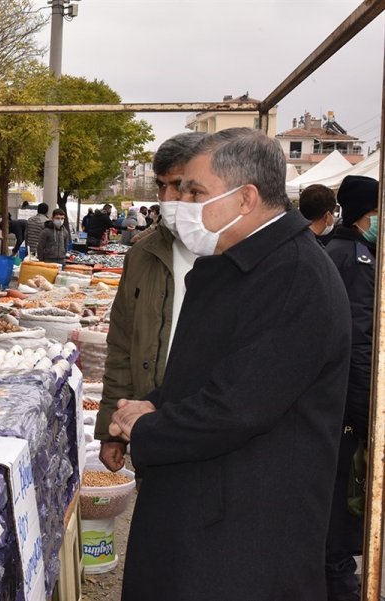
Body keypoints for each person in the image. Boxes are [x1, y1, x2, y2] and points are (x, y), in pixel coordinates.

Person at [111, 128, 351, 601]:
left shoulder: (294, 276)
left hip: (242, 535)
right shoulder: (243, 261)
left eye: (195, 191)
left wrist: (146, 428)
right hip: (207, 508)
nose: (180, 202)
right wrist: (152, 404)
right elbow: (208, 370)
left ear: (246, 198)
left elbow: (238, 406)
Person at [95, 132, 205, 471]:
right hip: (149, 429)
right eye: (161, 186)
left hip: (205, 434)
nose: (169, 198)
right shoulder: (143, 253)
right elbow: (121, 346)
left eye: (182, 186)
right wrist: (111, 429)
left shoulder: (227, 253)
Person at [324, 175, 379, 601]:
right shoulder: (356, 257)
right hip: (346, 403)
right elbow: (361, 341)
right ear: (368, 211)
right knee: (342, 517)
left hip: (331, 399)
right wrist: (365, 415)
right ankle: (342, 587)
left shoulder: (333, 248)